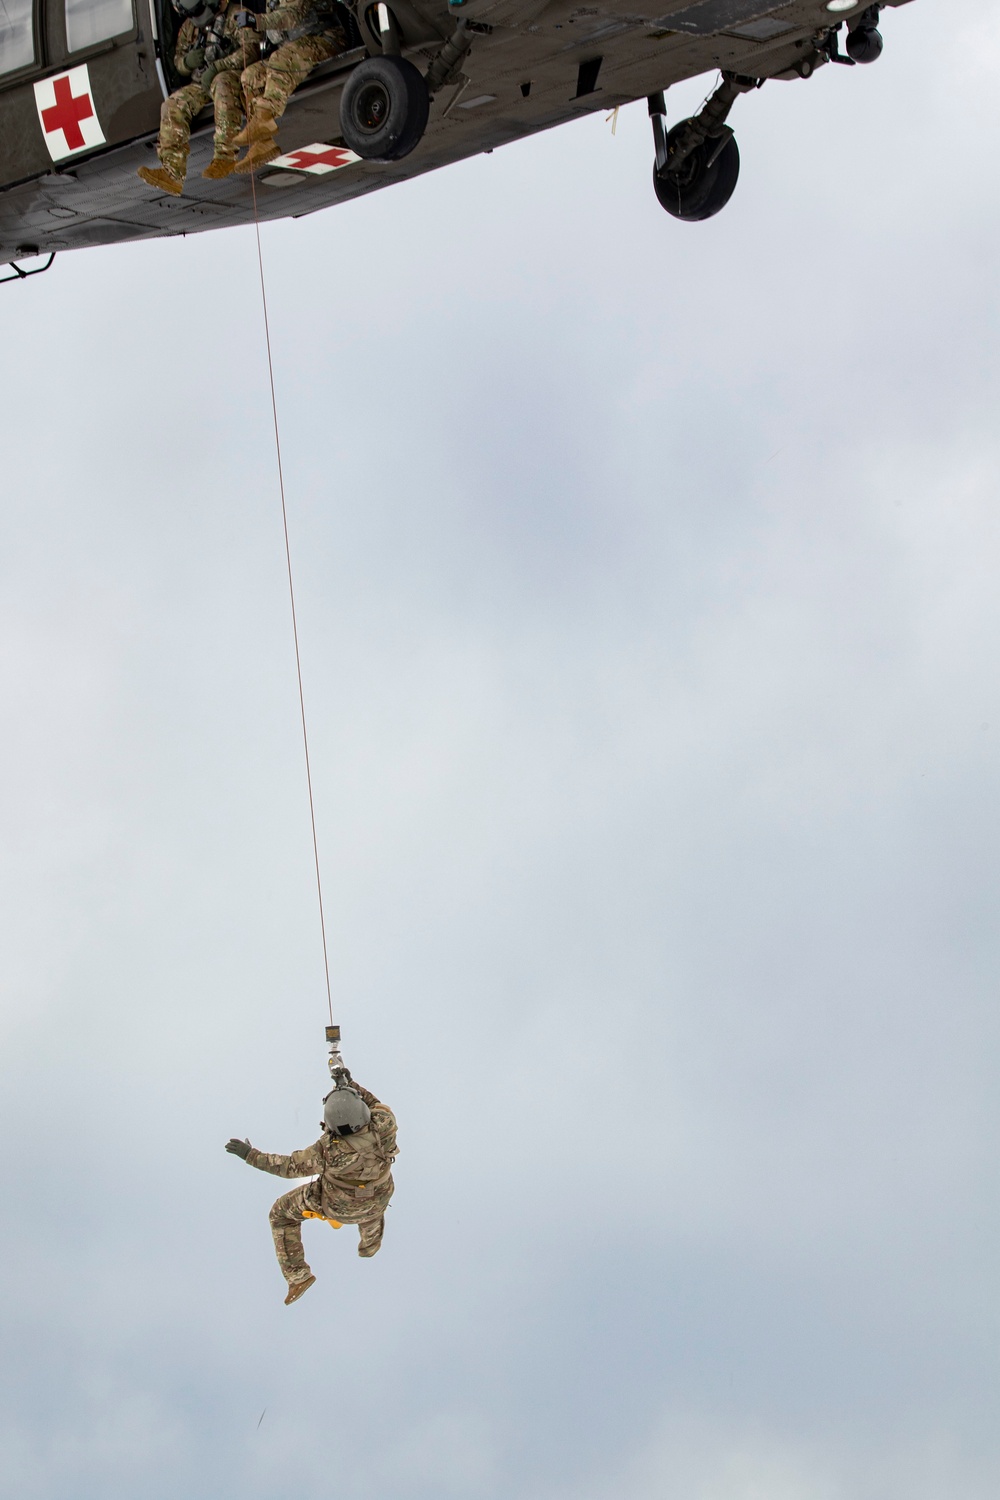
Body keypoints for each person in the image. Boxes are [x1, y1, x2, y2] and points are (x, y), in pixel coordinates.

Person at [225, 1078, 398, 1304]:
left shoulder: (327, 1151)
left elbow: (286, 1167)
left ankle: (298, 1276)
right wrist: (350, 1084)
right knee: (371, 1208)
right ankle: (370, 1245)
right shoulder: (385, 1125)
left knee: (280, 1214)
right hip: (379, 1200)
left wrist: (250, 1154)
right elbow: (373, 1102)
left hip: (337, 1206)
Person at [137, 0, 262, 194]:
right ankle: (172, 173)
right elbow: (178, 60)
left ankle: (225, 156)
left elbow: (251, 51)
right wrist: (187, 63)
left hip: (232, 76)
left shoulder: (237, 15)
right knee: (172, 104)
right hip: (202, 83)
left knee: (222, 84)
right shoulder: (189, 27)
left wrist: (217, 67)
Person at [229, 0, 347, 172]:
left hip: (324, 40)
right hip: (294, 50)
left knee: (280, 58)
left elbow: (292, 16)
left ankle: (265, 118)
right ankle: (263, 143)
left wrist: (258, 21)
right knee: (250, 75)